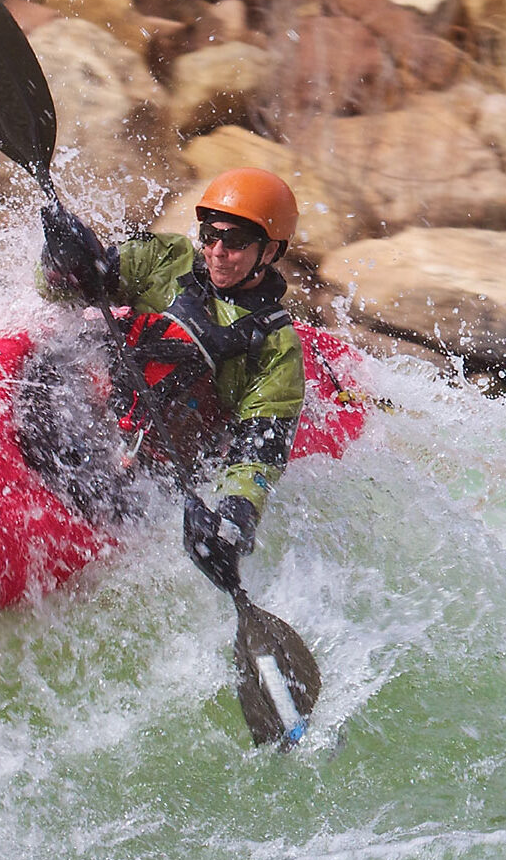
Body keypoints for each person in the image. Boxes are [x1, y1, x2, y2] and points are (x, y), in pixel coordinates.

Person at [32, 167, 307, 596]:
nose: (217, 251)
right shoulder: (163, 259)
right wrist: (63, 264)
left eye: (235, 242)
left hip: (158, 476)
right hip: (89, 419)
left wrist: (233, 521)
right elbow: (70, 292)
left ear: (269, 251)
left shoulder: (276, 348)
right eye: (209, 234)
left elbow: (259, 454)